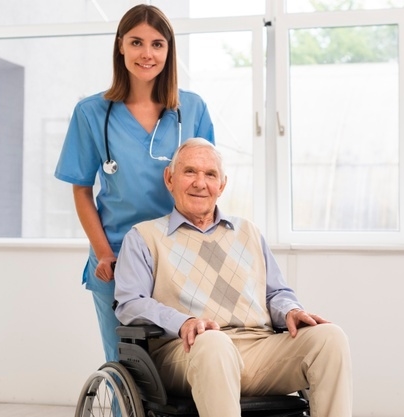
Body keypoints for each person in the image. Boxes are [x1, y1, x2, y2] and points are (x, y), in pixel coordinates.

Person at [114, 138, 353, 417]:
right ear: (169, 178)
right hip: (187, 352)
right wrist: (184, 322)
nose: (200, 183)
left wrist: (291, 310)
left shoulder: (247, 231)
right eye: (189, 171)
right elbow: (130, 303)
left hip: (258, 349)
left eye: (210, 174)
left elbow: (276, 293)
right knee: (214, 343)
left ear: (222, 186)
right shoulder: (144, 237)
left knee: (329, 337)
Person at [54, 4, 215, 363]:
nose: (147, 53)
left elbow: (208, 184)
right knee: (127, 365)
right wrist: (105, 252)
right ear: (120, 46)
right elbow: (81, 189)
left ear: (169, 51)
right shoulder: (91, 112)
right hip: (116, 256)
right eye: (137, 42)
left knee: (188, 361)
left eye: (157, 44)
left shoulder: (192, 109)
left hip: (180, 255)